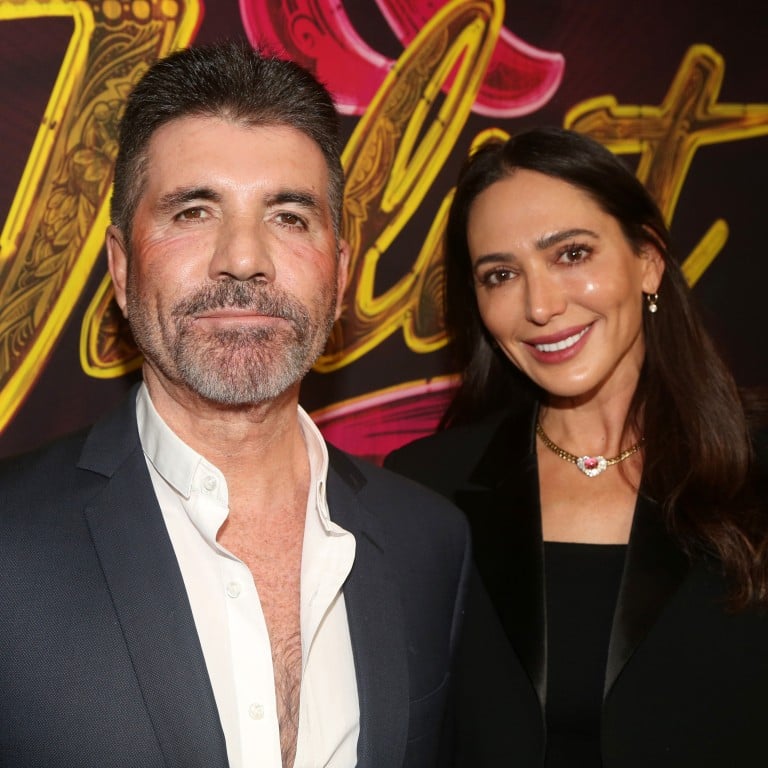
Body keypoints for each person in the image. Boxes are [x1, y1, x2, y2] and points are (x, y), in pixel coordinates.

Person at [0, 41, 470, 768]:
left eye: (288, 216)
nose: (243, 257)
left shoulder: (430, 542)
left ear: (340, 273)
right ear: (122, 270)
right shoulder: (9, 542)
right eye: (193, 211)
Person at [385, 127, 768, 767]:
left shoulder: (757, 468)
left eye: (571, 254)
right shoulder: (427, 492)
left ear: (647, 258)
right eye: (501, 274)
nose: (541, 305)